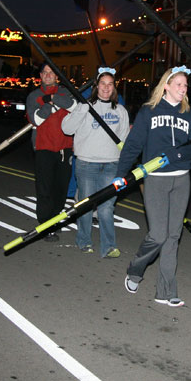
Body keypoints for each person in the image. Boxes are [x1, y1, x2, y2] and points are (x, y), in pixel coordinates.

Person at [116, 66, 191, 307]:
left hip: (181, 179)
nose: (183, 89)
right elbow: (133, 145)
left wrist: (177, 155)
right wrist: (120, 174)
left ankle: (166, 291)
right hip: (155, 178)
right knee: (158, 234)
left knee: (173, 235)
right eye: (178, 84)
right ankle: (135, 269)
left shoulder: (190, 113)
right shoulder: (149, 112)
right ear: (166, 85)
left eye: (185, 85)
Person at [61, 67, 130, 257]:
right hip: (86, 165)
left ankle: (109, 246)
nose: (106, 88)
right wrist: (81, 110)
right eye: (103, 84)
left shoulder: (121, 111)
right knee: (85, 204)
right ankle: (84, 241)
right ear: (96, 86)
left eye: (110, 84)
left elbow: (124, 139)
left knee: (106, 207)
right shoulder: (84, 106)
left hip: (111, 165)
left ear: (114, 87)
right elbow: (66, 128)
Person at [26, 62, 76, 242]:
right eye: (44, 72)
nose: (47, 75)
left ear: (57, 76)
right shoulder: (34, 96)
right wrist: (52, 104)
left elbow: (74, 107)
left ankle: (54, 221)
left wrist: (53, 98)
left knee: (61, 189)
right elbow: (36, 119)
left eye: (51, 72)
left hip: (65, 148)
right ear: (40, 76)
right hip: (43, 148)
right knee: (45, 189)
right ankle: (46, 225)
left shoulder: (66, 92)